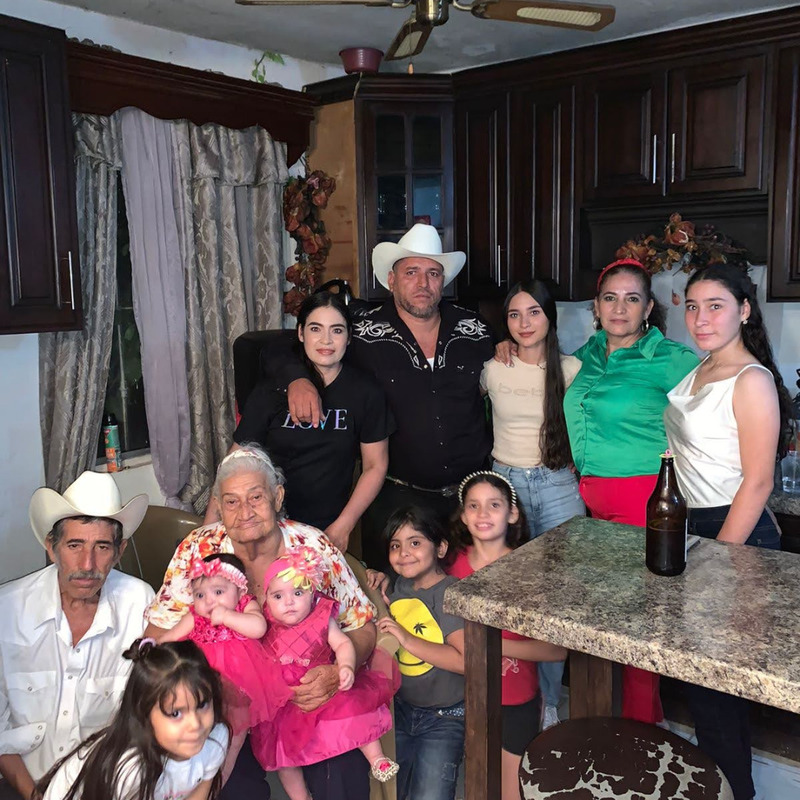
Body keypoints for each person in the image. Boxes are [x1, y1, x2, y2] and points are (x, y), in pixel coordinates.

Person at [143, 445, 378, 800]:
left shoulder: (313, 546)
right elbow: (159, 630)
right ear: (218, 506)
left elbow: (361, 624)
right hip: (222, 706)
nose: (245, 512)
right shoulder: (198, 550)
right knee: (227, 786)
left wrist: (337, 672)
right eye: (231, 502)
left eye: (256, 497)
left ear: (277, 496)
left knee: (341, 770)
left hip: (303, 698)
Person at [285, 224, 495, 569]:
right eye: (411, 272)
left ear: (443, 281)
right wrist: (297, 379)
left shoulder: (474, 328)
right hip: (398, 499)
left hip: (471, 500)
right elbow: (287, 349)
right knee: (393, 596)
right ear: (391, 279)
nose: (423, 283)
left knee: (472, 592)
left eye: (433, 273)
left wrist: (507, 345)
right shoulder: (362, 332)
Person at [664, 263, 793, 800]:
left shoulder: (751, 379)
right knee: (706, 688)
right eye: (693, 306)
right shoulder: (704, 367)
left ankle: (735, 791)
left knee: (716, 696)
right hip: (694, 527)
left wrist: (717, 558)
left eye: (715, 306)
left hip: (734, 533)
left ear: (744, 310)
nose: (700, 318)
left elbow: (759, 482)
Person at [563, 258, 699, 725]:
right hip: (590, 502)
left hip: (644, 502)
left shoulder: (672, 358)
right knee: (607, 618)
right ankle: (632, 723)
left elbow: (723, 405)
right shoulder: (585, 354)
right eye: (610, 298)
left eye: (632, 298)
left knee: (639, 621)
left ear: (648, 308)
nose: (619, 308)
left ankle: (640, 734)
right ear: (596, 306)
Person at [0, 472, 154, 800]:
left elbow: (148, 717)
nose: (87, 564)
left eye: (102, 547)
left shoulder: (140, 604)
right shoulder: (7, 610)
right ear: (51, 547)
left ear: (120, 550)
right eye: (74, 545)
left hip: (108, 786)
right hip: (22, 784)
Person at [483, 280, 584, 729]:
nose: (524, 323)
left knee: (557, 601)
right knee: (511, 596)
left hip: (559, 483)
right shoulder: (492, 368)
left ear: (550, 317)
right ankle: (513, 695)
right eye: (514, 314)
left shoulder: (573, 368)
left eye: (534, 312)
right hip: (505, 485)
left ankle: (549, 702)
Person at [227, 291, 394, 552]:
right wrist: (207, 530)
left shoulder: (365, 393)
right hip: (266, 525)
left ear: (349, 337)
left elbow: (375, 465)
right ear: (301, 333)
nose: (326, 340)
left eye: (337, 330)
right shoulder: (272, 390)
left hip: (326, 528)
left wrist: (344, 526)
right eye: (316, 329)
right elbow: (234, 464)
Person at [447, 472, 568, 800]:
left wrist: (492, 646)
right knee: (476, 781)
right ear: (463, 515)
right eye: (473, 505)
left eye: (494, 505)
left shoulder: (529, 570)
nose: (483, 514)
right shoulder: (450, 566)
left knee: (510, 790)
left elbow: (556, 651)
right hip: (461, 696)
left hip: (517, 700)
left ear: (512, 514)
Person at [251, 548, 398, 800]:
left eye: (298, 593)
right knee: (282, 756)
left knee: (352, 713)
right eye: (278, 596)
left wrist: (345, 667)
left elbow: (342, 643)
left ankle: (377, 758)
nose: (289, 602)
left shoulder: (320, 618)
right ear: (267, 599)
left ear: (312, 594)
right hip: (285, 702)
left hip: (325, 686)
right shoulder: (263, 624)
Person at [37, 639, 229, 800]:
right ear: (144, 714)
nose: (195, 725)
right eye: (175, 714)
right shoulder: (129, 769)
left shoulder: (215, 739)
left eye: (202, 705)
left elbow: (200, 790)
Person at [373, 506, 465, 800]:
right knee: (391, 789)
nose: (404, 553)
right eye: (395, 546)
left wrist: (407, 639)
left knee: (430, 795)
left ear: (440, 548)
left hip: (444, 717)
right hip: (401, 709)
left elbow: (465, 661)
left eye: (415, 543)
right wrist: (376, 582)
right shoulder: (399, 585)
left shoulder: (449, 593)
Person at [157, 554, 282, 735]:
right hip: (201, 679)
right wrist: (153, 645)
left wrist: (227, 616)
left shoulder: (245, 606)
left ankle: (231, 753)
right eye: (200, 595)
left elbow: (259, 628)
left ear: (240, 591)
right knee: (204, 720)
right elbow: (172, 636)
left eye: (218, 592)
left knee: (237, 723)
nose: (209, 601)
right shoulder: (195, 617)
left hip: (239, 681)